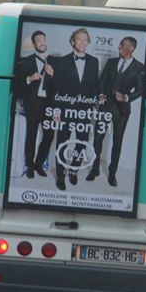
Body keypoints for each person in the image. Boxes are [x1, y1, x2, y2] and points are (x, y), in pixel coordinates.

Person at [49, 27, 100, 191]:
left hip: (84, 110)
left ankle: (74, 170)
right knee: (62, 143)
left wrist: (93, 105)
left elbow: (94, 87)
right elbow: (55, 88)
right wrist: (56, 110)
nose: (83, 43)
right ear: (72, 42)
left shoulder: (94, 61)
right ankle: (60, 176)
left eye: (85, 40)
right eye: (79, 39)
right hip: (65, 109)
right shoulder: (62, 61)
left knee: (82, 142)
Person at [90, 36, 145, 187]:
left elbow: (140, 90)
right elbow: (101, 82)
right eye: (120, 45)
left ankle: (112, 174)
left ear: (131, 48)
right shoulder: (111, 62)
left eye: (122, 45)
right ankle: (95, 169)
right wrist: (100, 95)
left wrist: (126, 97)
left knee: (117, 141)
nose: (119, 47)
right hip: (106, 106)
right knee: (97, 138)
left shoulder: (140, 67)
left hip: (122, 110)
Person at [14, 30, 56, 179]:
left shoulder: (54, 62)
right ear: (33, 45)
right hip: (34, 103)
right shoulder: (26, 62)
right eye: (39, 41)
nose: (42, 43)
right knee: (31, 135)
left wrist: (53, 75)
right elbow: (17, 86)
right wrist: (29, 78)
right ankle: (29, 166)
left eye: (44, 40)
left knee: (49, 135)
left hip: (49, 104)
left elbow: (60, 86)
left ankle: (39, 163)